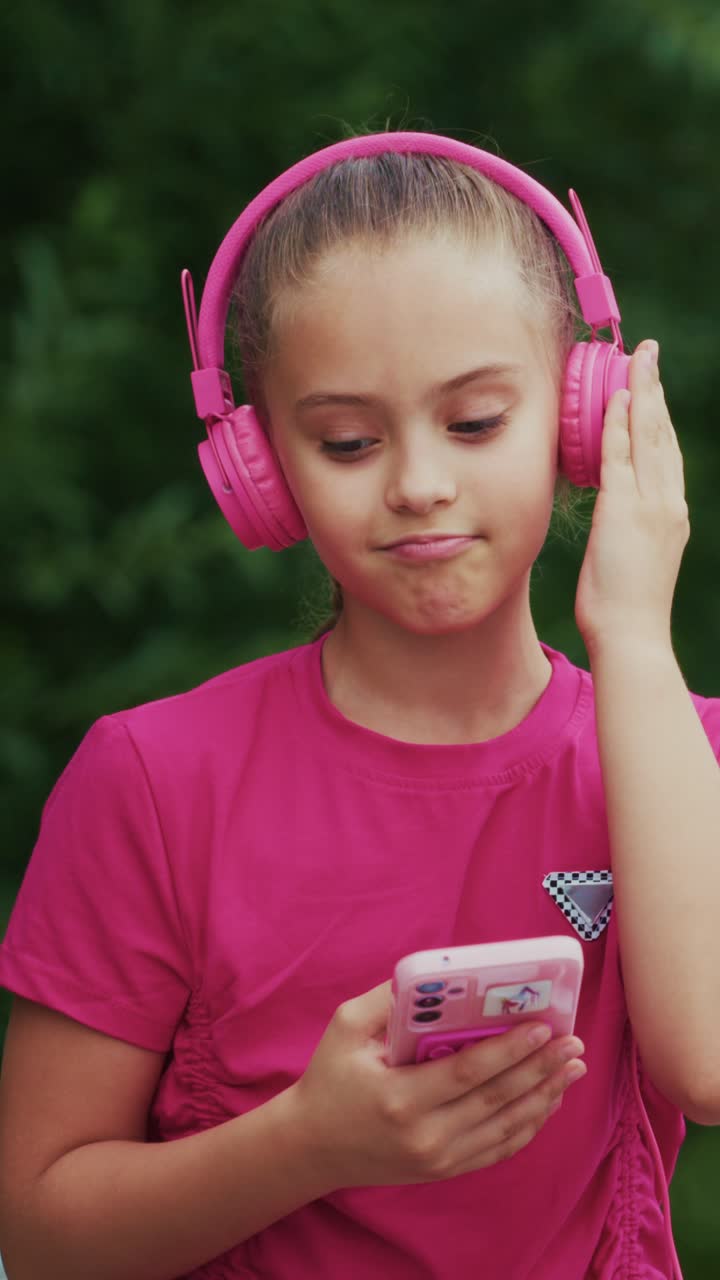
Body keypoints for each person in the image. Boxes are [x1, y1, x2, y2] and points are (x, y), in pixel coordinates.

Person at [0, 131, 717, 1280]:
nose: (419, 483)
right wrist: (308, 1143)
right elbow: (40, 1240)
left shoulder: (681, 755)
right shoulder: (156, 779)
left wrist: (634, 629)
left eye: (475, 422)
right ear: (260, 466)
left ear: (583, 416)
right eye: (346, 440)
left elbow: (708, 1060)